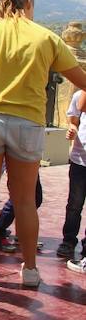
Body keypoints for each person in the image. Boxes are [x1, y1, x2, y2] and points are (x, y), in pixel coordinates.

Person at [0, 0, 86, 288]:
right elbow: (82, 80)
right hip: (28, 123)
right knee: (25, 200)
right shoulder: (46, 37)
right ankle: (29, 270)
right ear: (27, 2)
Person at [59, 89, 86, 261]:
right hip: (79, 160)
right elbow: (73, 122)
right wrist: (72, 130)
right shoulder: (79, 95)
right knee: (74, 204)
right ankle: (68, 241)